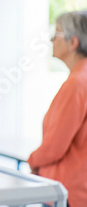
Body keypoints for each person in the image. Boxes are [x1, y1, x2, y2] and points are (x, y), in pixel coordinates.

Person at [28, 11, 87, 207]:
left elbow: (55, 146)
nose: (52, 39)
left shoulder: (77, 83)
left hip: (68, 192)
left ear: (73, 43)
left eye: (57, 34)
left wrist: (32, 160)